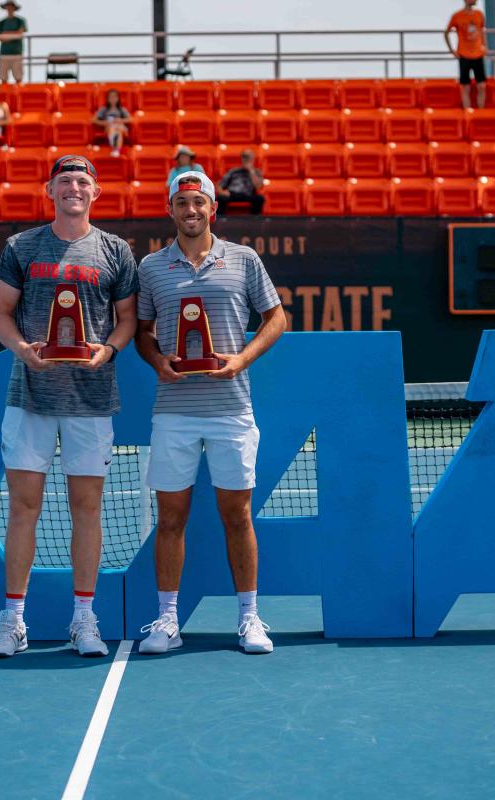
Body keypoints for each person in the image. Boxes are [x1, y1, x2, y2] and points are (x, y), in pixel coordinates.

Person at [0, 154, 139, 659]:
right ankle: (13, 621)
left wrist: (109, 350)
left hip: (91, 401)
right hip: (29, 397)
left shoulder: (116, 251)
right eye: (65, 180)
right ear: (49, 190)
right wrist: (23, 350)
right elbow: (2, 315)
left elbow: (127, 320)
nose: (74, 187)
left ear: (96, 191)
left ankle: (83, 619)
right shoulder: (21, 246)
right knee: (24, 507)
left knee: (86, 508)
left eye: (82, 180)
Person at [133, 171, 286, 655]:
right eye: (183, 203)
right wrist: (158, 361)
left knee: (237, 515)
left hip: (231, 408)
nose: (191, 211)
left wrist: (241, 359)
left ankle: (250, 618)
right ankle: (166, 621)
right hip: (174, 410)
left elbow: (276, 317)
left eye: (199, 203)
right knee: (171, 517)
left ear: (212, 209)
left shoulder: (244, 259)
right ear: (171, 210)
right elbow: (141, 330)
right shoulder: (152, 267)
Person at [445, 0, 487, 109]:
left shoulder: (479, 14)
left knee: (482, 85)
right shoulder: (457, 16)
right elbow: (447, 33)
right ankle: (468, 114)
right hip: (464, 55)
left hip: (478, 54)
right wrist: (452, 51)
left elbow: (482, 30)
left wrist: (485, 46)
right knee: (465, 87)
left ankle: (480, 113)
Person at [216, 149, 265, 215]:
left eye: (248, 157)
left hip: (248, 194)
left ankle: (255, 220)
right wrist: (222, 192)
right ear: (241, 159)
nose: (246, 159)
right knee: (219, 198)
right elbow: (219, 185)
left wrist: (251, 171)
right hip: (232, 194)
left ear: (253, 159)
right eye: (244, 157)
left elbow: (258, 186)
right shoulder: (233, 171)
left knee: (260, 199)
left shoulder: (256, 171)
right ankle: (221, 220)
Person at [0, 1, 28, 85]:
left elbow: (19, 34)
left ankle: (19, 96)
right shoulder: (1, 22)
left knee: (18, 77)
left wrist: (5, 35)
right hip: (4, 54)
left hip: (17, 53)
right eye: (8, 6)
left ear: (14, 8)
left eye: (11, 6)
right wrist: (13, 35)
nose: (9, 8)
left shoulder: (20, 21)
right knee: (3, 78)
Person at [93, 88, 130, 157]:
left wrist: (120, 120)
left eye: (115, 96)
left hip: (120, 127)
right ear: (107, 98)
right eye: (111, 97)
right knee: (113, 128)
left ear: (118, 98)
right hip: (109, 128)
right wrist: (105, 122)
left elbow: (130, 119)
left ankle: (115, 149)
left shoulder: (121, 109)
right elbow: (94, 120)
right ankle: (116, 148)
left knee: (118, 128)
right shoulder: (104, 109)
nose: (113, 98)